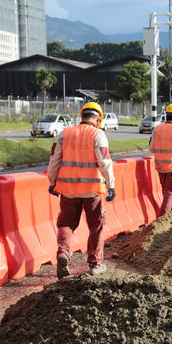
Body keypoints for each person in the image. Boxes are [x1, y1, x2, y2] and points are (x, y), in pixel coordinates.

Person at [47, 102, 115, 279]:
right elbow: (105, 163)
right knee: (97, 227)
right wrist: (111, 184)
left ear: (82, 115)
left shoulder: (64, 134)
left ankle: (63, 254)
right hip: (92, 190)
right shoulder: (98, 134)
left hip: (68, 190)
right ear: (98, 118)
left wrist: (52, 181)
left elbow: (54, 160)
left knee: (66, 224)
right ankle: (95, 264)